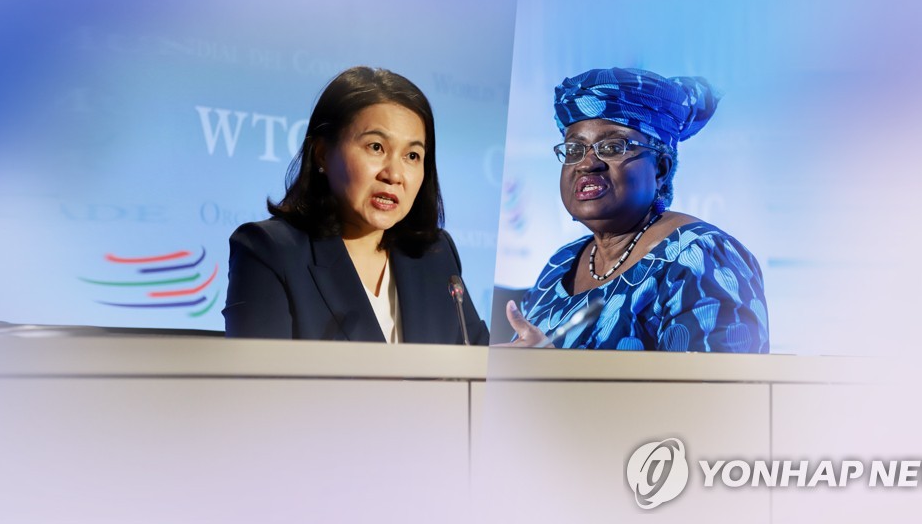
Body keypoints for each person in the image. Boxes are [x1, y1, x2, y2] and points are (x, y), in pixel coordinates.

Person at [504, 67, 768, 352]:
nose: (586, 163)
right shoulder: (561, 264)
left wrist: (551, 373)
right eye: (574, 150)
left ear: (661, 169)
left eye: (613, 147)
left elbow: (716, 392)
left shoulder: (700, 256)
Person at [224, 66, 489, 344]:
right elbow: (257, 382)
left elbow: (476, 360)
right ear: (323, 154)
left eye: (412, 155)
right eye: (376, 147)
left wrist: (522, 353)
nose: (394, 175)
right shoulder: (269, 251)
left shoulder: (434, 254)